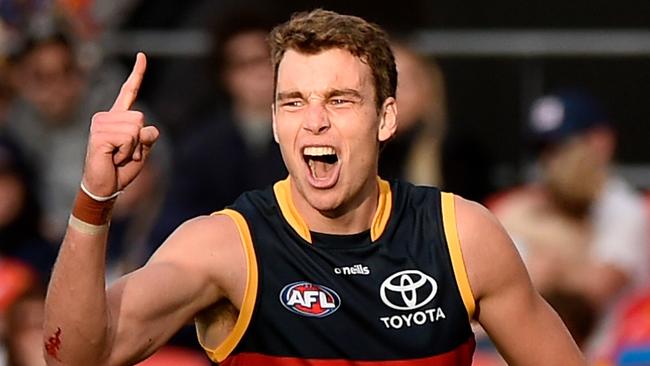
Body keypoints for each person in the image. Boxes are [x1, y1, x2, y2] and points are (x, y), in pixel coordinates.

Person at [43, 9, 585, 365]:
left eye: (340, 100)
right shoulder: (229, 246)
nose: (314, 121)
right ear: (277, 122)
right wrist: (94, 200)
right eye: (293, 102)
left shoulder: (461, 236)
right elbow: (71, 358)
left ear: (386, 117)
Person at [488, 90, 648, 351]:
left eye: (562, 146)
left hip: (603, 352)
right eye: (543, 149)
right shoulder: (522, 204)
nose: (550, 159)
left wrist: (543, 269)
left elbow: (592, 291)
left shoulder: (624, 210)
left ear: (600, 142)